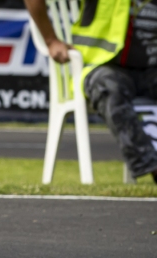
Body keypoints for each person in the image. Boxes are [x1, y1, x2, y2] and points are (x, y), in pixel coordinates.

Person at [24, 0, 157, 182]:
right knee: (111, 88)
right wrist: (51, 40)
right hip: (99, 66)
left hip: (151, 70)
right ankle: (152, 167)